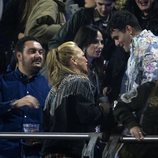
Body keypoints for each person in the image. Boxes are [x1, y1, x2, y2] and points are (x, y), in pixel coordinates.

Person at [42, 41, 109, 158]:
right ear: (74, 61)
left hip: (51, 151)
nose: (86, 60)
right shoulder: (80, 81)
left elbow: (46, 122)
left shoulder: (55, 87)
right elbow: (88, 115)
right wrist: (105, 109)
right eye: (83, 56)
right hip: (70, 151)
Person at [108, 10, 158, 138]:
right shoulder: (138, 48)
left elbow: (152, 91)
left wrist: (132, 122)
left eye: (117, 37)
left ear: (128, 29)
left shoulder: (150, 48)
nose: (117, 43)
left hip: (148, 130)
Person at [0, 36, 50, 158]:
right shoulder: (3, 81)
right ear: (19, 56)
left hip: (35, 152)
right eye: (32, 51)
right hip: (6, 151)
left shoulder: (47, 85)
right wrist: (14, 104)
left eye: (41, 52)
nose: (38, 55)